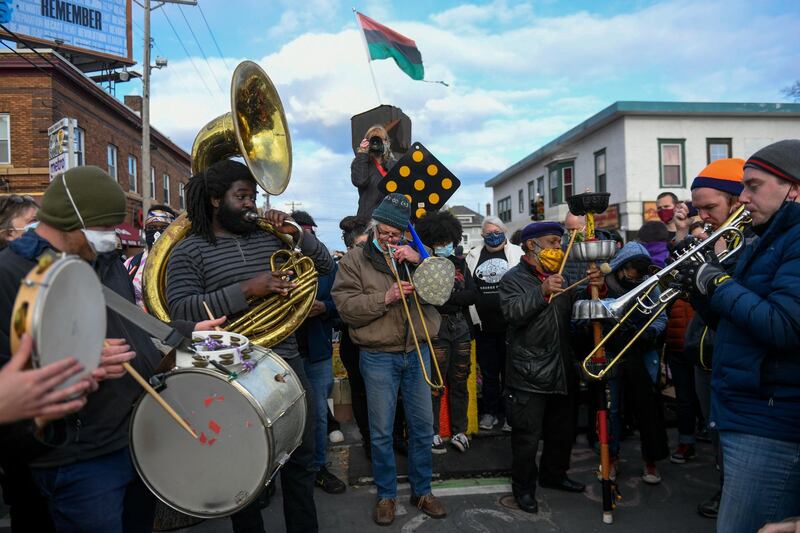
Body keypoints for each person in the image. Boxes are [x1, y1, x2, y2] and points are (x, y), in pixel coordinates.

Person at [0, 166, 222, 532]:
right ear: (70, 221)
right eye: (103, 229)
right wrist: (74, 362)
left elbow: (129, 323)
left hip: (134, 436)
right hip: (79, 458)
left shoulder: (100, 261)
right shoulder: (11, 276)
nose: (111, 238)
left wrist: (186, 331)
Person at [165, 160, 332, 533]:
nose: (251, 204)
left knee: (301, 464)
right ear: (213, 200)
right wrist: (246, 290)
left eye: (253, 196)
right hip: (232, 373)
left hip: (286, 363)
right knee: (245, 472)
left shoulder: (269, 237)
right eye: (241, 197)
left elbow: (322, 266)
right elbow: (179, 309)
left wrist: (295, 233)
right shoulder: (189, 251)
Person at [676, 140, 800, 533]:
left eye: (753, 186)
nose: (743, 197)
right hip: (746, 405)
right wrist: (701, 289)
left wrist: (718, 282)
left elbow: (785, 326)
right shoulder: (769, 237)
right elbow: (733, 320)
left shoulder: (791, 239)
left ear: (794, 189)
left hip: (770, 419)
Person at [332, 193, 446, 526]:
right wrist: (387, 296)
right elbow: (346, 308)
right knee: (381, 433)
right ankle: (386, 495)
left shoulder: (417, 254)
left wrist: (422, 261)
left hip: (418, 349)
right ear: (375, 227)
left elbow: (443, 295)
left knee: (423, 429)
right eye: (385, 232)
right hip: (378, 354)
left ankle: (422, 491)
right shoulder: (354, 259)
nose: (390, 239)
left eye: (397, 234)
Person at [499, 221, 604, 513]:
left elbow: (578, 309)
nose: (558, 248)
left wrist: (595, 287)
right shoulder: (513, 279)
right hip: (528, 372)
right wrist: (542, 291)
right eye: (552, 242)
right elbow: (513, 313)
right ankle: (523, 489)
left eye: (560, 242)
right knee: (527, 438)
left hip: (561, 367)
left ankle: (554, 475)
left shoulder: (561, 275)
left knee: (562, 432)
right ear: (532, 245)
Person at [680, 157, 747, 518]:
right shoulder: (712, 242)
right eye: (698, 208)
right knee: (718, 435)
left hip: (737, 360)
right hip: (705, 357)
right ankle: (725, 490)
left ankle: (735, 498)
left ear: (737, 202)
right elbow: (713, 312)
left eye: (710, 207)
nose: (702, 215)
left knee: (736, 440)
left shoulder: (750, 245)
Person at [600, 242, 670, 484]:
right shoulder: (606, 284)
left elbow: (660, 317)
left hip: (642, 350)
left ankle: (650, 462)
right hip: (614, 349)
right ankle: (612, 458)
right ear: (621, 266)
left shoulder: (648, 284)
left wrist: (647, 333)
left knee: (647, 407)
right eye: (633, 269)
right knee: (614, 409)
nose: (636, 275)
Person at [292, 211, 347, 495]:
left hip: (316, 351)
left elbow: (343, 304)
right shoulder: (274, 260)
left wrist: (324, 307)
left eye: (306, 234)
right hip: (284, 351)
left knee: (318, 416)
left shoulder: (326, 266)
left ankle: (318, 468)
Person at [415, 211, 479, 454]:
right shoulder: (426, 265)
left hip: (462, 328)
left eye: (447, 242)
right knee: (436, 383)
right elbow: (430, 300)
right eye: (439, 243)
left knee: (460, 380)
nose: (444, 246)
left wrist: (448, 298)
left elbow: (473, 295)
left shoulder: (461, 263)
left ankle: (459, 431)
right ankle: (432, 432)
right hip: (437, 329)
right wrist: (454, 299)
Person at [465, 216, 523, 432]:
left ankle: (510, 416)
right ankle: (490, 413)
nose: (493, 235)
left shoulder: (517, 253)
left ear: (504, 231)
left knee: (511, 373)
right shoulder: (472, 255)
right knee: (489, 373)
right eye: (488, 232)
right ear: (482, 235)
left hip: (511, 325)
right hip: (484, 326)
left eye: (497, 231)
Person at [125, 204, 177, 310]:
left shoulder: (182, 261)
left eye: (163, 227)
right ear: (145, 230)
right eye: (152, 227)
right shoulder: (131, 263)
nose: (157, 232)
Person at [351, 125, 394, 219]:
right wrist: (362, 153)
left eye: (380, 140)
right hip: (367, 218)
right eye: (373, 140)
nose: (376, 143)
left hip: (389, 218)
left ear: (387, 142)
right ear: (367, 142)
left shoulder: (393, 165)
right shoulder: (360, 162)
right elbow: (360, 181)